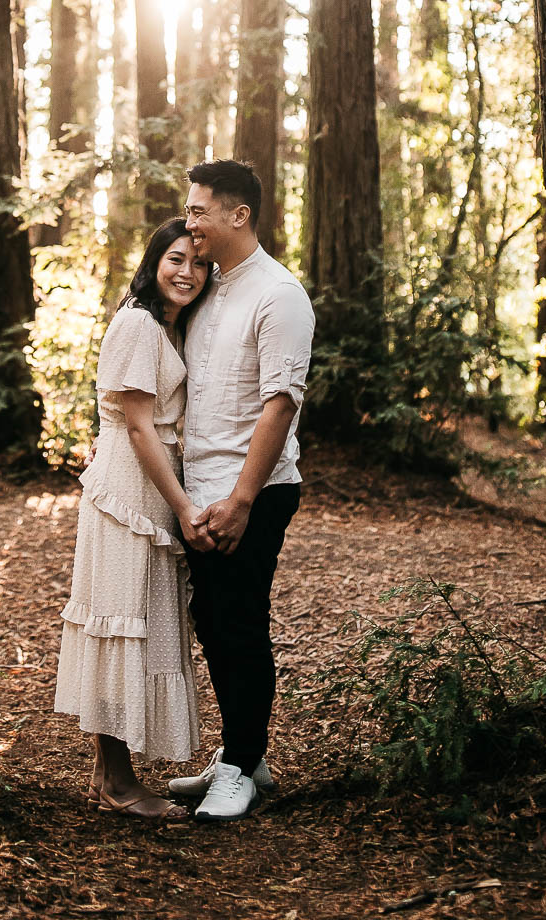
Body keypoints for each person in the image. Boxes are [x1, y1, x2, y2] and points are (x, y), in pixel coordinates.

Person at [54, 218, 215, 820]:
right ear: (154, 262)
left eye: (199, 264)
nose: (188, 273)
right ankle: (121, 783)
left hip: (145, 479)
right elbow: (141, 426)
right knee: (125, 621)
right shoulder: (138, 322)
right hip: (131, 487)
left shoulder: (169, 328)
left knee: (134, 619)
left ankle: (108, 777)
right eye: (176, 259)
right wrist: (182, 506)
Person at [171, 159, 315, 821]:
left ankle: (239, 768)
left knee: (241, 623)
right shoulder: (208, 289)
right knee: (214, 622)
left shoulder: (279, 295)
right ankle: (243, 755)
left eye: (200, 210)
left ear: (239, 215)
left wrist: (241, 500)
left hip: (252, 492)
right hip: (198, 490)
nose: (189, 221)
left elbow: (279, 404)